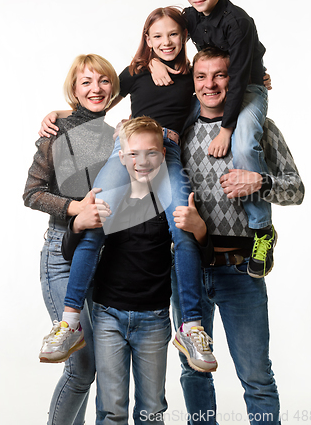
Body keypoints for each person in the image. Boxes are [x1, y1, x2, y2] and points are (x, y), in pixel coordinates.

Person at [38, 7, 217, 373]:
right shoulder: (138, 72)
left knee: (182, 226)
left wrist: (256, 78)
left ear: (184, 37)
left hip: (167, 153)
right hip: (128, 150)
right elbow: (102, 101)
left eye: (173, 35)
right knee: (96, 219)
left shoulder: (193, 74)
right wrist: (59, 113)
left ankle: (192, 326)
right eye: (157, 37)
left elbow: (219, 89)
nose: (166, 42)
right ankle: (70, 321)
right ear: (147, 41)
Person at [171, 47, 305, 425]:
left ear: (235, 79)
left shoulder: (258, 127)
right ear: (193, 83)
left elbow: (296, 189)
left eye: (220, 75)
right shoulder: (180, 130)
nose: (211, 84)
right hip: (187, 270)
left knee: (257, 377)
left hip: (241, 270)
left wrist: (259, 181)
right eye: (202, 76)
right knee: (193, 371)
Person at [61, 117, 212, 425]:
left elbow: (199, 257)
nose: (143, 162)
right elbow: (71, 251)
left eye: (152, 153)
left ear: (165, 154)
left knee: (151, 410)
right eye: (134, 154)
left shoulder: (172, 201)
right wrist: (77, 222)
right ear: (122, 157)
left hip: (154, 320)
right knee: (112, 410)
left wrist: (201, 231)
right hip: (108, 317)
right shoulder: (110, 198)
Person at [152, 0, 275, 279]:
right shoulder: (190, 17)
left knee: (245, 144)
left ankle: (262, 229)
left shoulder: (238, 22)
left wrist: (226, 130)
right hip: (219, 86)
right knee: (170, 121)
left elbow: (235, 80)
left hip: (245, 87)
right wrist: (153, 62)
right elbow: (162, 33)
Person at [23, 54, 118, 425]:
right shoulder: (57, 133)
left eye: (104, 81)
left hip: (102, 256)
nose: (96, 89)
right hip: (61, 254)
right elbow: (32, 193)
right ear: (74, 91)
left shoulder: (112, 136)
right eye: (86, 83)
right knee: (81, 366)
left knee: (98, 367)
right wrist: (75, 207)